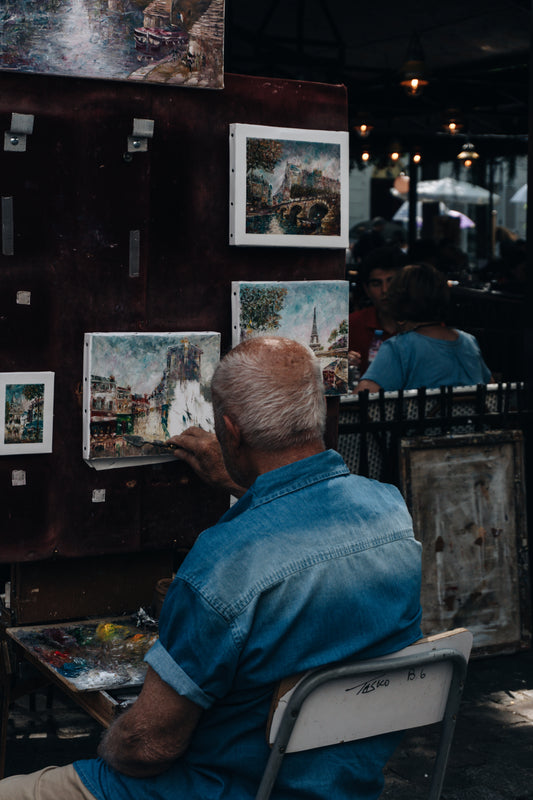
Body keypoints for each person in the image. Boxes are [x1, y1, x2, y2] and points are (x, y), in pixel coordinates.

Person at [0, 337, 422, 800]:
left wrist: (112, 741)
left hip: (221, 789)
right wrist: (244, 483)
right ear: (314, 410)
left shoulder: (222, 563)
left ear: (230, 430)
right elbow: (309, 531)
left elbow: (147, 748)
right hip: (344, 786)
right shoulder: (390, 514)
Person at [356, 263, 492, 393]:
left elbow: (361, 401)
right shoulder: (469, 342)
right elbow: (492, 391)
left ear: (398, 303)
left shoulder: (399, 347)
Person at [348, 246, 406, 375]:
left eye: (391, 281)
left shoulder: (424, 325)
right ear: (366, 289)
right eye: (376, 284)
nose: (385, 290)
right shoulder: (351, 325)